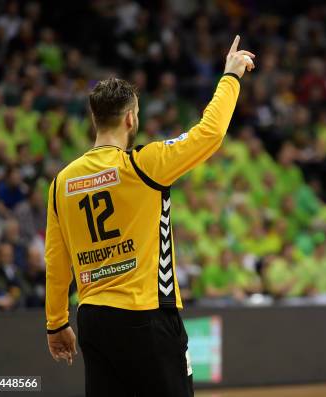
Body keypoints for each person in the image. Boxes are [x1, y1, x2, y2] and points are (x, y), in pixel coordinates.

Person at [44, 35, 255, 397]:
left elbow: (56, 258)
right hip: (146, 316)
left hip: (92, 317)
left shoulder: (63, 181)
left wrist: (56, 323)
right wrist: (230, 76)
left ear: (95, 119)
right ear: (131, 118)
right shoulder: (143, 165)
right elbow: (210, 133)